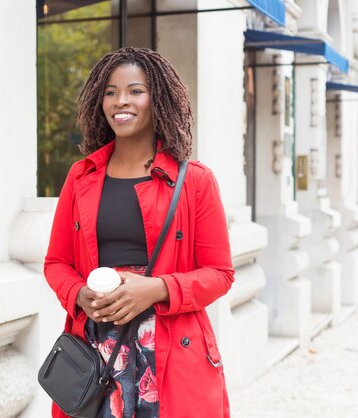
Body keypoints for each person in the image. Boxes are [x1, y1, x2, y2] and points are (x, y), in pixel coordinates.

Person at [43, 47, 234, 418]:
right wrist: (79, 294)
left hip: (170, 350)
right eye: (110, 92)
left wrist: (157, 289)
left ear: (157, 99)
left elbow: (220, 274)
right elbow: (56, 263)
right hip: (97, 352)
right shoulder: (81, 177)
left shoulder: (194, 181)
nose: (120, 101)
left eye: (135, 90)